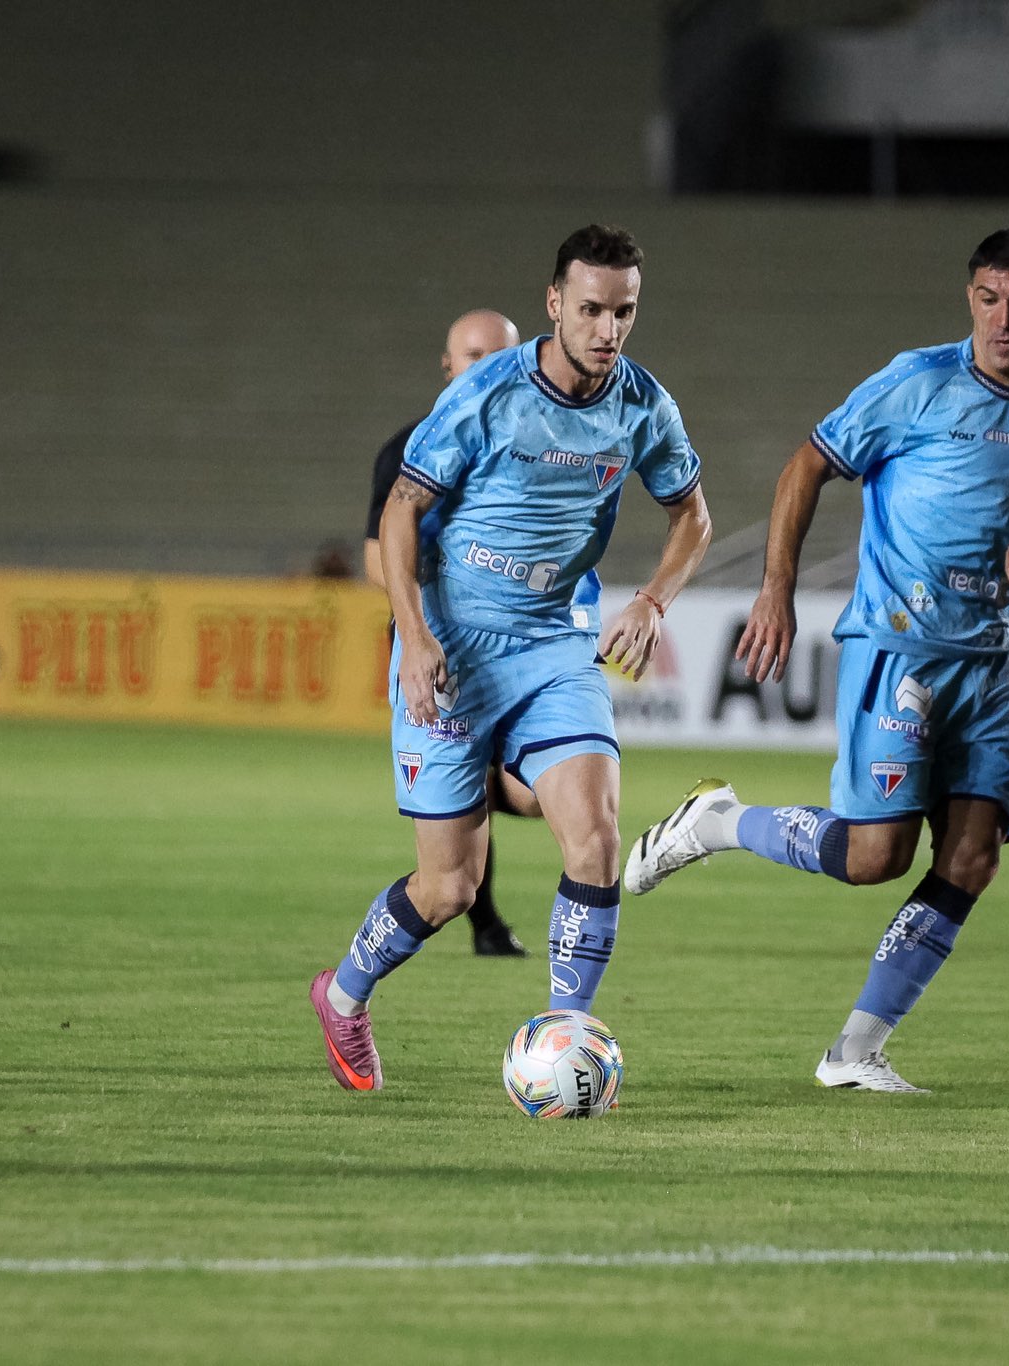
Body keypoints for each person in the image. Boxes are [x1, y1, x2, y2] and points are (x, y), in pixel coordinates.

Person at [623, 228, 1009, 1094]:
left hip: (986, 662)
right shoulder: (917, 383)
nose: (1005, 319)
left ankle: (854, 1051)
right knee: (873, 857)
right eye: (989, 299)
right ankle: (718, 822)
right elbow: (805, 467)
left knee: (974, 857)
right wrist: (775, 590)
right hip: (899, 644)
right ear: (970, 300)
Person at [310, 225, 714, 1092]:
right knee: (450, 888)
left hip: (555, 644)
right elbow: (400, 511)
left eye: (625, 312)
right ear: (555, 304)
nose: (608, 330)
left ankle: (567, 1038)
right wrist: (414, 637)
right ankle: (342, 996)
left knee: (595, 840)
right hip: (454, 648)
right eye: (593, 310)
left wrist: (651, 601)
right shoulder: (487, 395)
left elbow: (693, 516)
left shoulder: (644, 405)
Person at [363, 308, 529, 958]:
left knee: (531, 793)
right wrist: (428, 614)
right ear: (447, 366)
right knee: (472, 798)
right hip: (434, 641)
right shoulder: (410, 448)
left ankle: (478, 906)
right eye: (472, 356)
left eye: (499, 357)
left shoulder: (536, 443)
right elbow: (376, 558)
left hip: (516, 644)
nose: (485, 369)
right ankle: (481, 921)